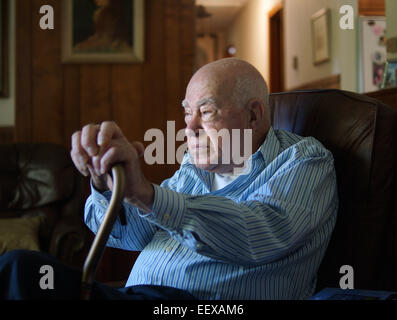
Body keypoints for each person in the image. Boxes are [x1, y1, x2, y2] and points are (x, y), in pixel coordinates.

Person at [0, 58, 338, 300]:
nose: (188, 128)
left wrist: (149, 195)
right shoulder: (194, 167)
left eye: (206, 112)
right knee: (18, 268)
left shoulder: (304, 159)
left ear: (253, 115)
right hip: (135, 295)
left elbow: (260, 233)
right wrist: (109, 184)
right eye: (187, 112)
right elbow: (130, 236)